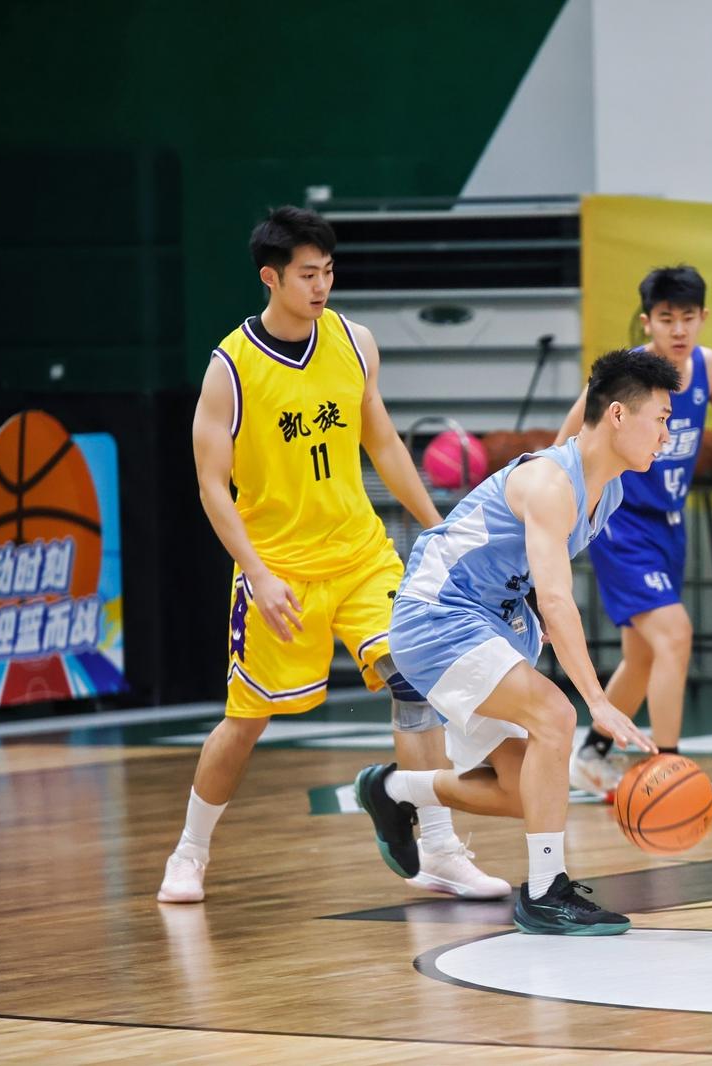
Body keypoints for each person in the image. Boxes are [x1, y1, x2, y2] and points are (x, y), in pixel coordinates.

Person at [158, 207, 506, 904]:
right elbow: (210, 486)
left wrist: (439, 529)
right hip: (279, 572)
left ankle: (439, 849)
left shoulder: (354, 343)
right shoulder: (230, 369)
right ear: (271, 278)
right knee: (246, 722)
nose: (322, 286)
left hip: (361, 557)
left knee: (415, 681)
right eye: (307, 275)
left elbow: (385, 445)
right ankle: (189, 852)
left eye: (328, 272)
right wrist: (258, 574)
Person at [354, 349, 681, 934]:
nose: (666, 434)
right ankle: (546, 891)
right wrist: (598, 702)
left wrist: (532, 606)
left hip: (492, 620)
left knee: (520, 791)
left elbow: (536, 579)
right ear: (617, 415)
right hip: (437, 615)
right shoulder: (551, 483)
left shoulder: (609, 492)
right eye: (659, 418)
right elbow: (556, 598)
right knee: (558, 714)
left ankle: (394, 790)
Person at [555, 266, 712, 795]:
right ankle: (668, 768)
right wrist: (562, 500)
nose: (679, 329)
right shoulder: (626, 375)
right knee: (675, 634)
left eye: (688, 317)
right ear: (647, 322)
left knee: (644, 656)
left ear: (703, 317)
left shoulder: (710, 367)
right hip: (619, 521)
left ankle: (591, 754)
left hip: (668, 525)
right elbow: (569, 433)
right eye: (667, 319)